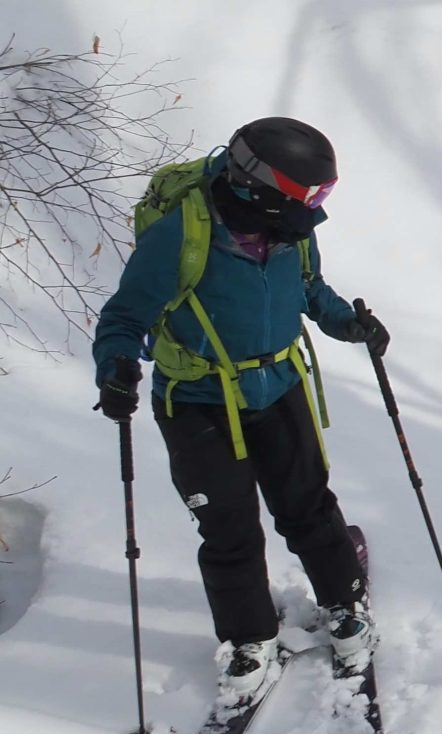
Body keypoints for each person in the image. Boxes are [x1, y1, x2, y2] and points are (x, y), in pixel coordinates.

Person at [92, 118, 390, 703]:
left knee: (307, 503)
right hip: (196, 401)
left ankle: (344, 602)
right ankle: (249, 637)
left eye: (321, 195)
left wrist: (346, 323)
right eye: (307, 195)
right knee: (227, 527)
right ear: (262, 187)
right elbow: (123, 318)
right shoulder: (183, 234)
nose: (316, 207)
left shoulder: (293, 230)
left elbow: (309, 289)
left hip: (278, 384)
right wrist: (117, 367)